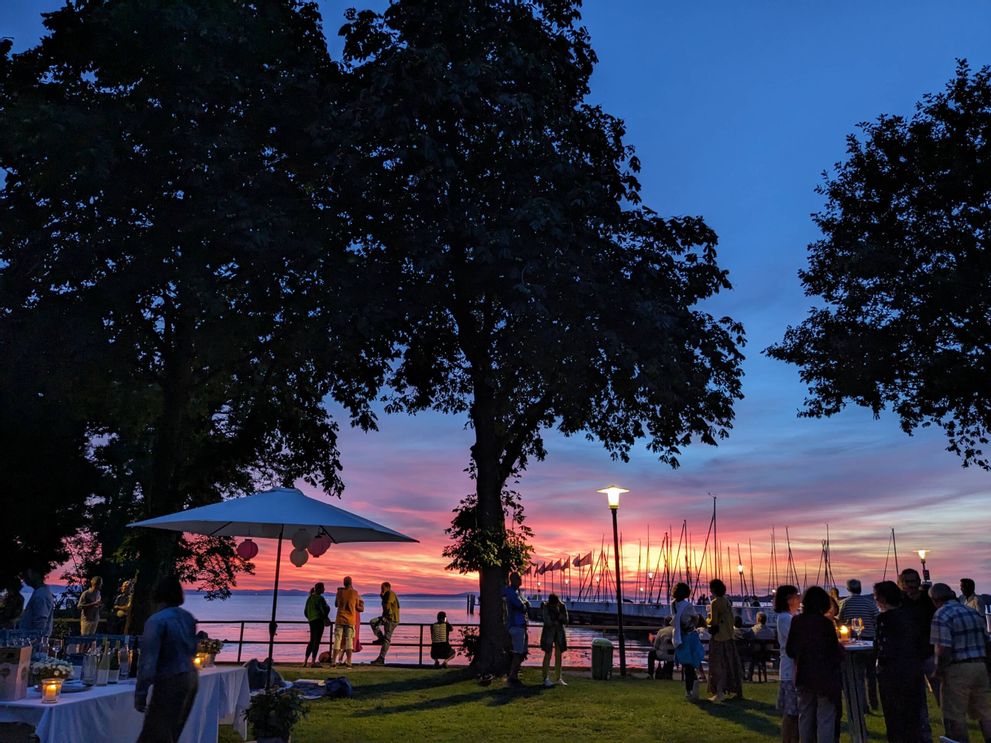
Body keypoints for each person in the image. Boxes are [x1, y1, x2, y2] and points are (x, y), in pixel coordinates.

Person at [135, 575, 198, 743]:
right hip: (191, 677)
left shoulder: (156, 621)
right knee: (172, 732)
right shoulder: (188, 617)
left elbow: (148, 661)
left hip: (170, 680)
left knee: (156, 734)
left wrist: (140, 693)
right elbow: (192, 650)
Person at [929, 582, 991, 743]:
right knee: (985, 713)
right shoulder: (972, 612)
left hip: (957, 669)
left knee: (955, 715)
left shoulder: (941, 615)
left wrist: (938, 671)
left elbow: (943, 649)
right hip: (980, 666)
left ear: (935, 600)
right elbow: (987, 642)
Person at [786, 585, 843, 743]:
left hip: (804, 675)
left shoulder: (796, 621)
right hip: (825, 677)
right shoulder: (825, 624)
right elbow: (833, 650)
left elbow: (790, 650)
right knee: (826, 717)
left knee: (805, 716)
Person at [872, 580, 925, 743]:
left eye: (875, 596)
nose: (875, 600)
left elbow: (882, 646)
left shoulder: (884, 619)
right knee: (912, 715)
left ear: (882, 598)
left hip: (892, 673)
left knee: (894, 716)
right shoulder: (909, 615)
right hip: (912, 670)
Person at [900, 567, 937, 743]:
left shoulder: (928, 600)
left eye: (914, 581)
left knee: (943, 695)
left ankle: (952, 735)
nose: (911, 585)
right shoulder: (899, 603)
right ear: (901, 584)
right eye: (907, 582)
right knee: (918, 700)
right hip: (911, 657)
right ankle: (925, 737)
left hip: (930, 653)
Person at [838, 578, 879, 710]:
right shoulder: (870, 603)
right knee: (871, 673)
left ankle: (862, 703)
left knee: (858, 674)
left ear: (848, 589)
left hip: (854, 642)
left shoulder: (844, 603)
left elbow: (840, 621)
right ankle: (874, 702)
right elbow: (877, 619)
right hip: (871, 640)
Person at [706, 578, 744, 702]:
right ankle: (736, 690)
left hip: (718, 638)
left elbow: (713, 622)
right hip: (729, 637)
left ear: (713, 589)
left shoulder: (715, 603)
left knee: (717, 666)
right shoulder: (727, 602)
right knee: (730, 665)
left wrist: (706, 620)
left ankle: (719, 692)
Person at [775, 584, 801, 743]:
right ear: (789, 599)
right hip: (789, 670)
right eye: (796, 596)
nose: (799, 599)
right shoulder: (785, 618)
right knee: (791, 713)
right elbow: (795, 640)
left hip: (791, 669)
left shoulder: (790, 617)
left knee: (794, 713)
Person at [672, 582, 706, 701]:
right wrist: (694, 622)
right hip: (690, 636)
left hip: (679, 635)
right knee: (692, 662)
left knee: (686, 664)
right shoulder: (688, 606)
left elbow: (675, 619)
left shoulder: (673, 604)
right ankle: (691, 688)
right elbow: (695, 618)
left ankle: (690, 690)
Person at [503, 571, 529, 686]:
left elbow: (525, 605)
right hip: (516, 626)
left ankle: (514, 674)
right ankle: (512, 676)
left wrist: (525, 605)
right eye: (518, 578)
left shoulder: (516, 592)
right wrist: (525, 605)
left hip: (520, 626)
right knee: (518, 652)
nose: (520, 580)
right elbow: (521, 606)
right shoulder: (511, 593)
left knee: (522, 652)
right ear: (513, 580)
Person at [333, 576, 363, 668]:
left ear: (344, 583)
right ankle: (349, 661)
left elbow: (336, 604)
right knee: (349, 640)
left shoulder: (340, 592)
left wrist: (339, 594)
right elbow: (358, 607)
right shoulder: (355, 593)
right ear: (351, 583)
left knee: (337, 640)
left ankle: (333, 661)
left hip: (340, 619)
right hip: (350, 620)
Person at [539, 593, 569, 687]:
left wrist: (561, 618)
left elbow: (566, 620)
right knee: (548, 654)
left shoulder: (562, 606)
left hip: (559, 633)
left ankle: (558, 677)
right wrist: (555, 621)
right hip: (549, 633)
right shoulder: (546, 607)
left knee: (558, 655)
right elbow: (547, 620)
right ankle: (545, 678)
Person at [369, 581, 400, 666]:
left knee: (387, 638)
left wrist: (387, 617)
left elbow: (388, 605)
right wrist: (382, 597)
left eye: (383, 588)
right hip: (386, 618)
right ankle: (380, 638)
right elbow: (386, 605)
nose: (381, 589)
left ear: (388, 587)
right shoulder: (386, 595)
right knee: (373, 622)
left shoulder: (390, 593)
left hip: (391, 620)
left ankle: (381, 658)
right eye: (381, 588)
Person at [17, 566, 54, 637]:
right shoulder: (40, 593)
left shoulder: (41, 595)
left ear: (31, 573)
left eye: (25, 574)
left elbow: (40, 625)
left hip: (34, 642)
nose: (23, 579)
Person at [303, 582, 330, 667]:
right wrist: (325, 616)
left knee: (311, 641)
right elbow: (324, 610)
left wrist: (310, 618)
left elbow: (305, 611)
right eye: (323, 588)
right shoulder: (320, 598)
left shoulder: (310, 598)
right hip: (319, 621)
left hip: (311, 621)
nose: (324, 589)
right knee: (317, 641)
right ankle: (313, 661)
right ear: (319, 589)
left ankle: (305, 661)